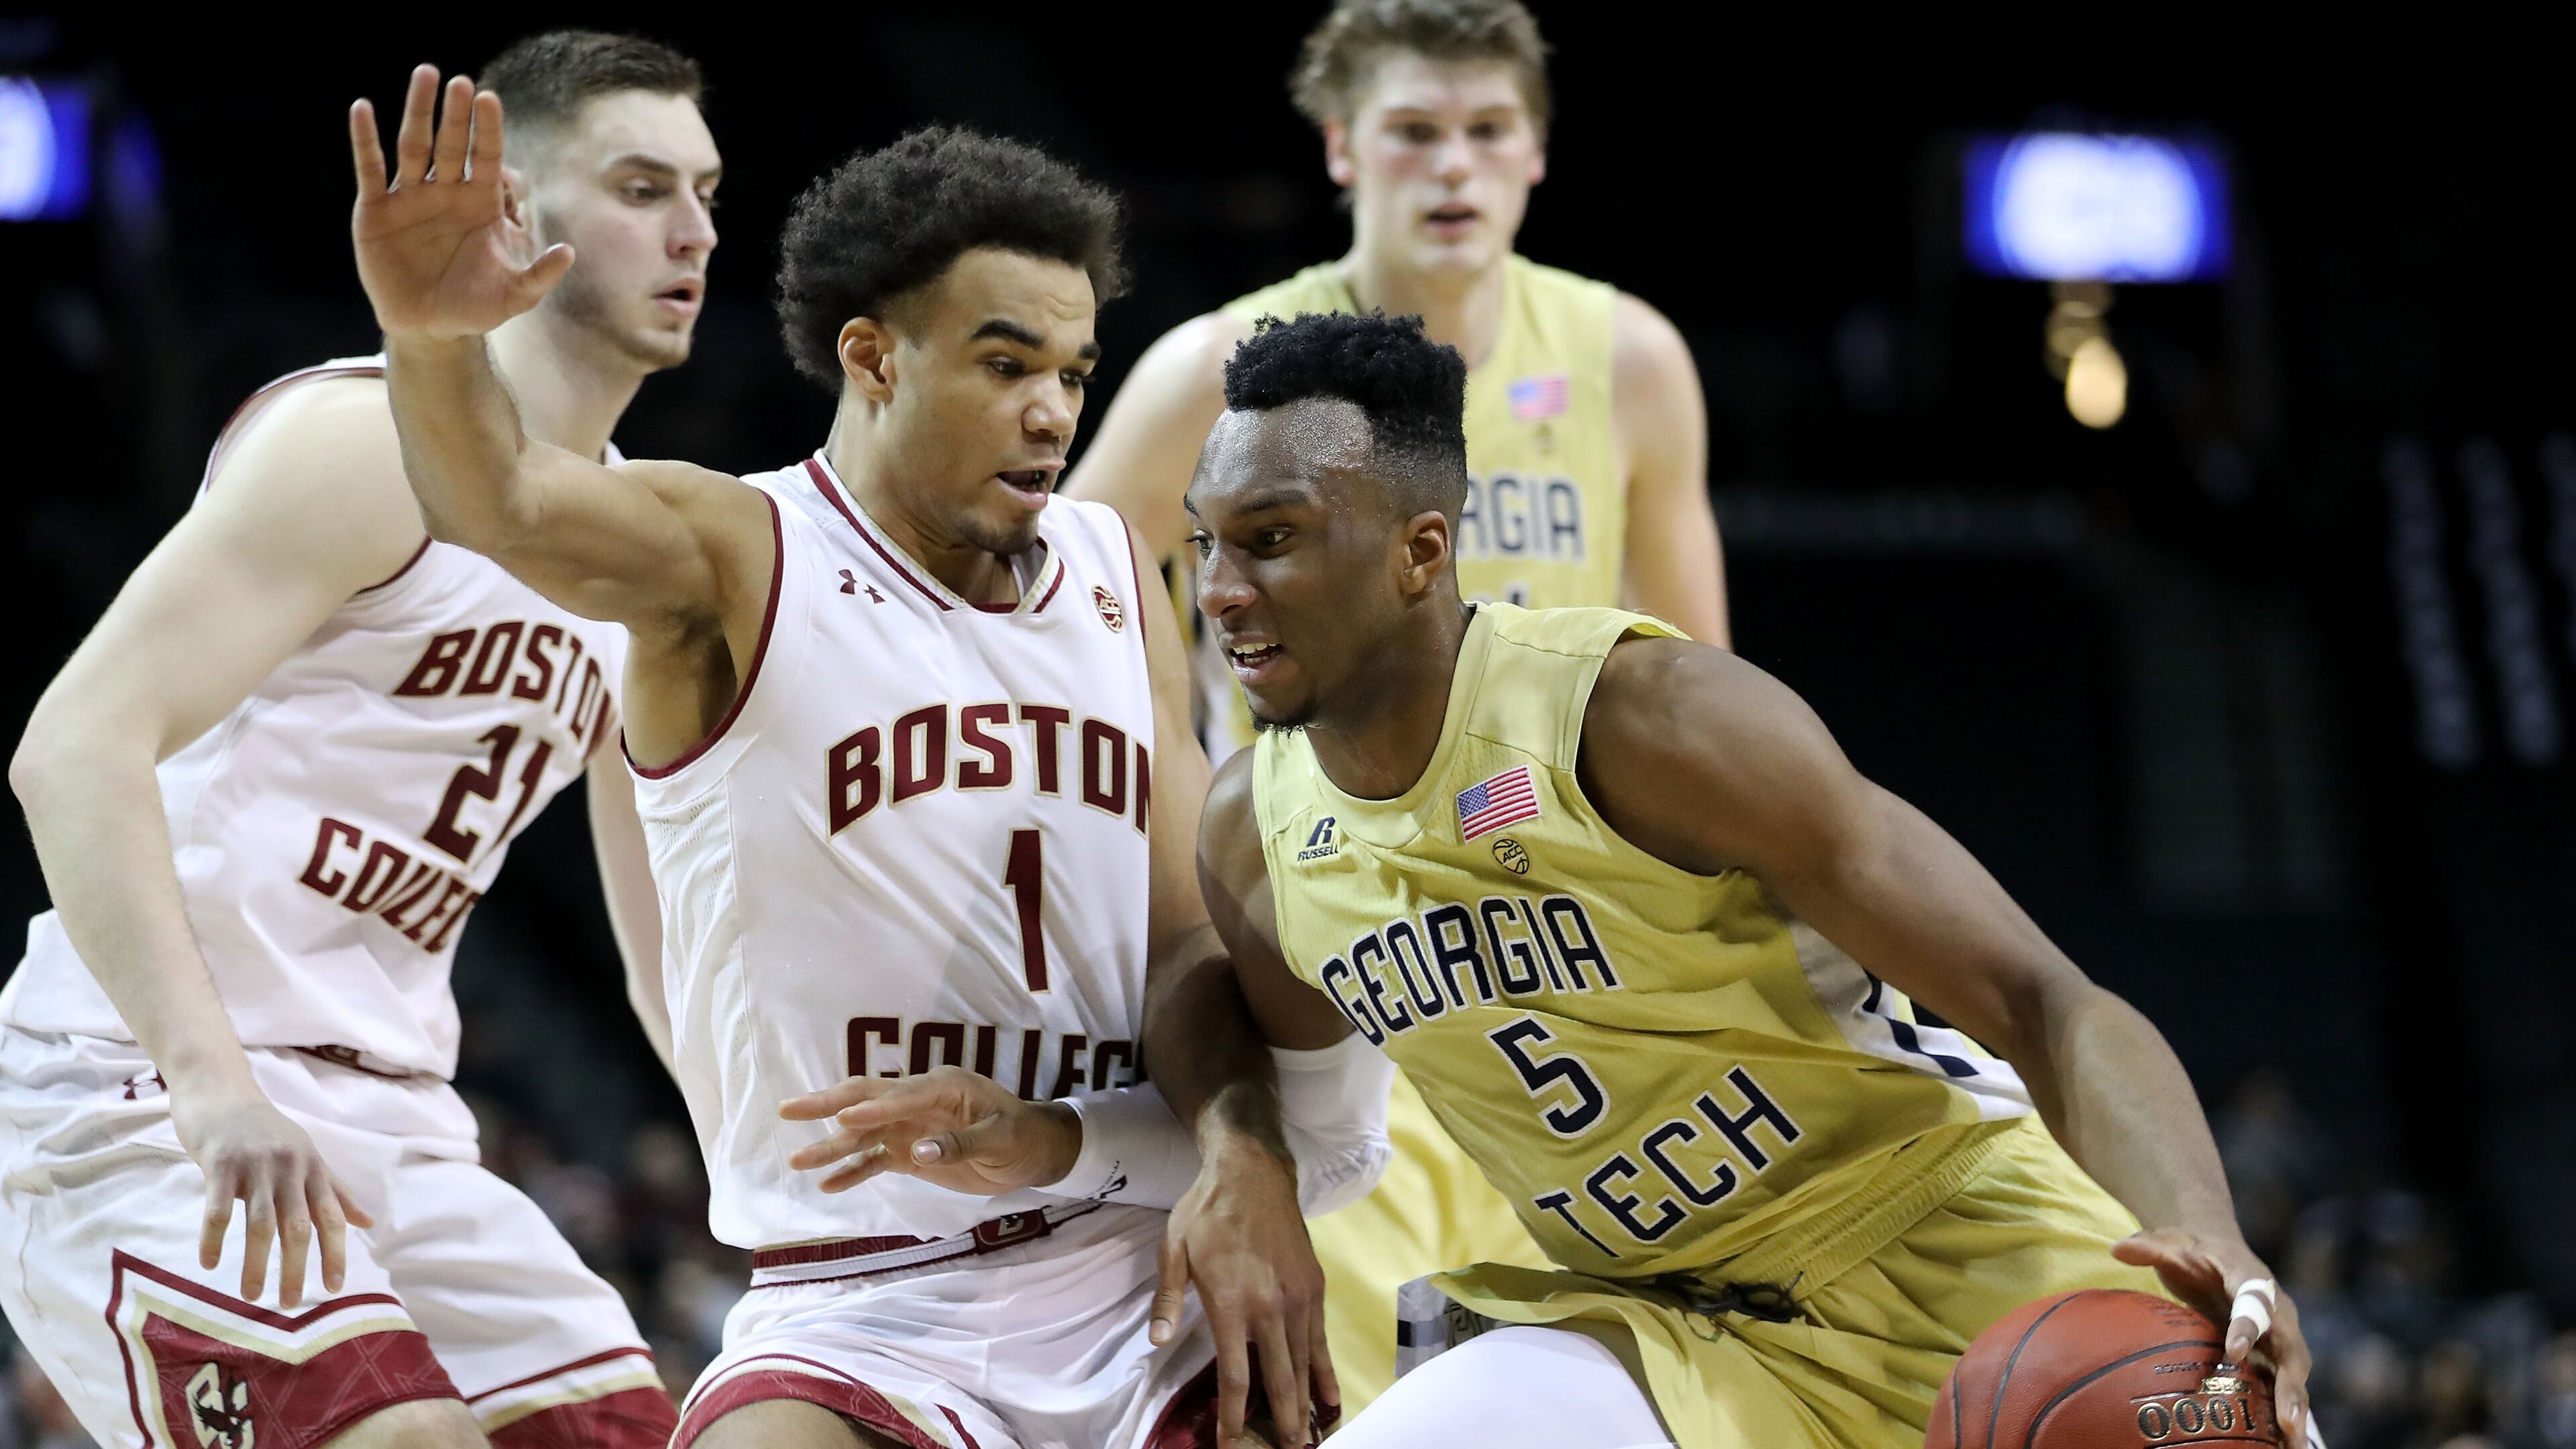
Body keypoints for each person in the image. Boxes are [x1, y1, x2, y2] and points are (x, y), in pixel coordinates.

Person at [347, 71, 1382, 1449]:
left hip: (1130, 1259)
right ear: (875, 356)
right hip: (861, 1301)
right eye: (1006, 365)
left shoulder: (1112, 570)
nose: (1052, 413)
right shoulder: (736, 553)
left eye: (1072, 374)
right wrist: (429, 340)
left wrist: (1246, 1155)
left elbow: (1184, 944)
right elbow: (508, 503)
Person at [1145, 311, 2319, 1449]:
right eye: (1203, 543)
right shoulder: (1261, 833)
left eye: (1274, 538)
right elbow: (1288, 1095)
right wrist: (1229, 1153)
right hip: (1686, 1324)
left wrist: (2212, 1232)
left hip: (1967, 1250)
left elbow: (2043, 1001)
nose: (1221, 590)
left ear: (1421, 551)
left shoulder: (1647, 719)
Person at [0, 32, 717, 1449]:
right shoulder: (358, 442)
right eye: (644, 186)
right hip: (148, 1085)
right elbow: (72, 745)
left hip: (398, 1120)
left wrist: (793, 1186)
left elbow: (665, 950)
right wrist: (212, 1088)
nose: (694, 227)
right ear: (514, 208)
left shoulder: (638, 552)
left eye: (705, 189)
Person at [1064, 0, 1727, 1408]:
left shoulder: (1629, 361)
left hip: (1577, 948)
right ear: (1342, 150)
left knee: (1592, 1385)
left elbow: (1698, 673)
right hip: (1334, 940)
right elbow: (1068, 622)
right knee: (1342, 1390)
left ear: (1537, 157)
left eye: (1489, 134)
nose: (1454, 168)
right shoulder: (1218, 370)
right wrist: (1191, 842)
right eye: (1415, 132)